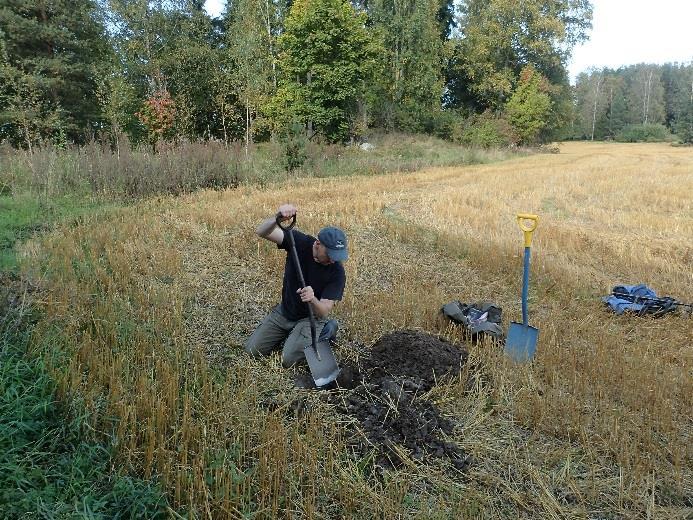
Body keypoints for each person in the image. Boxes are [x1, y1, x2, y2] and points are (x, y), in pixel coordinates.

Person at [244, 203, 347, 367]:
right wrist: (277, 218)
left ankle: (327, 330)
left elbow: (324, 310)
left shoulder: (337, 272)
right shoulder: (298, 242)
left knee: (288, 360)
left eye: (337, 255)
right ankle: (292, 335)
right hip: (286, 311)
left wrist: (313, 299)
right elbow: (262, 231)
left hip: (311, 317)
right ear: (318, 244)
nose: (333, 260)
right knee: (251, 351)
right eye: (330, 254)